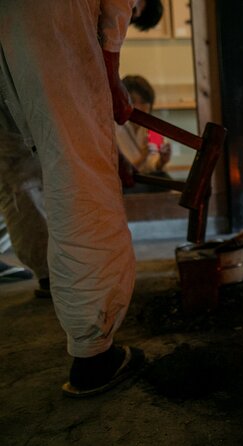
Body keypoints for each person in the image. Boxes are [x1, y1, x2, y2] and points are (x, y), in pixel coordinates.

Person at [0, 0, 162, 397]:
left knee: (16, 171)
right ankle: (93, 355)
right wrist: (110, 74)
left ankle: (47, 275)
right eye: (135, 12)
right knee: (83, 185)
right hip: (48, 24)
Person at [116, 74, 173, 193]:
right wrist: (142, 157)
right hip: (125, 185)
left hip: (148, 182)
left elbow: (154, 166)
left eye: (143, 102)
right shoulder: (115, 128)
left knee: (164, 180)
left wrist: (161, 161)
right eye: (134, 101)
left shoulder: (153, 129)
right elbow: (121, 172)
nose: (139, 107)